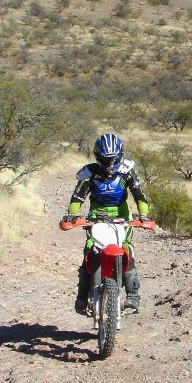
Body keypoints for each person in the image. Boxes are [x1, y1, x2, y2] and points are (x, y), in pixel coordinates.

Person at [63, 133, 150, 314]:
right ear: (98, 157)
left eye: (113, 159)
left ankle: (133, 295)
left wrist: (144, 215)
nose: (110, 164)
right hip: (96, 218)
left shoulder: (127, 172)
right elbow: (78, 196)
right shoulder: (90, 174)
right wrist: (72, 214)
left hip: (122, 218)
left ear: (120, 156)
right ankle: (82, 296)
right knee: (89, 251)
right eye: (106, 160)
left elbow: (139, 195)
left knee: (128, 251)